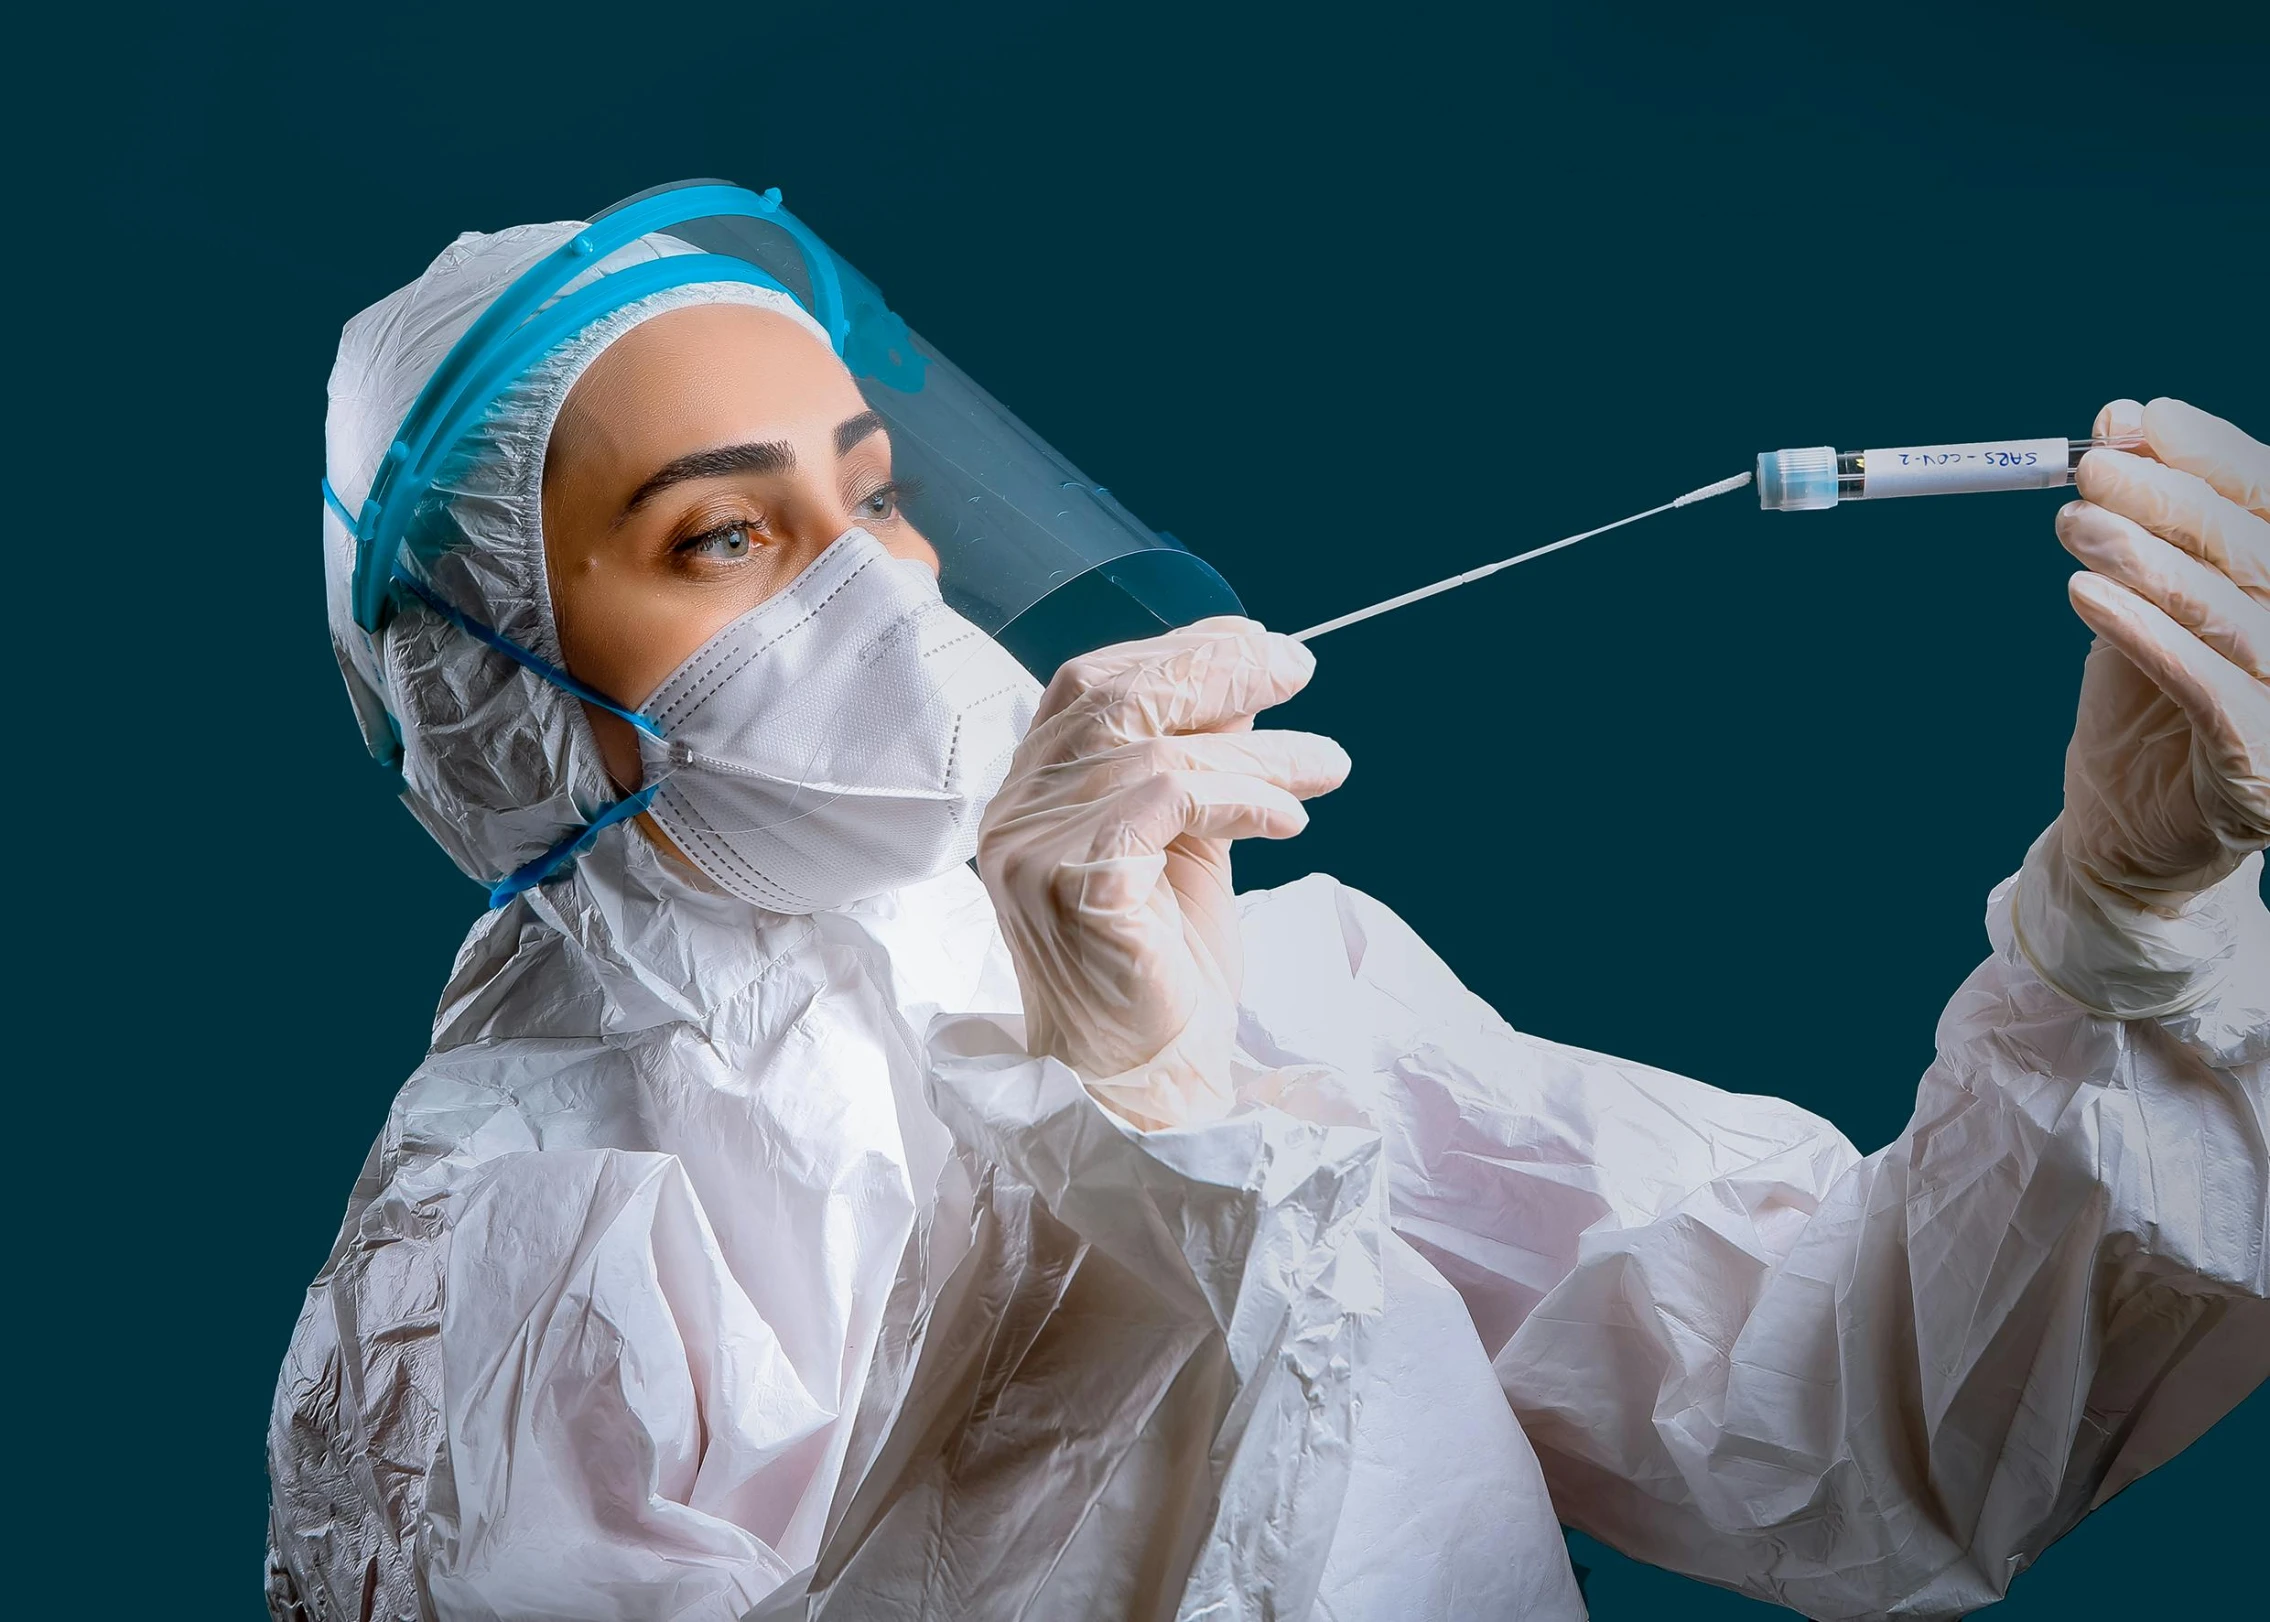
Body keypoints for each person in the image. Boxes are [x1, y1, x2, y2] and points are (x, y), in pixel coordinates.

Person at [270, 191, 2270, 1622]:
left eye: (873, 495)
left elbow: (1857, 1441)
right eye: (724, 534)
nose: (881, 586)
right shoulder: (529, 1237)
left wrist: (2125, 924)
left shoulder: (1244, 984)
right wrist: (1133, 1152)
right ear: (490, 692)